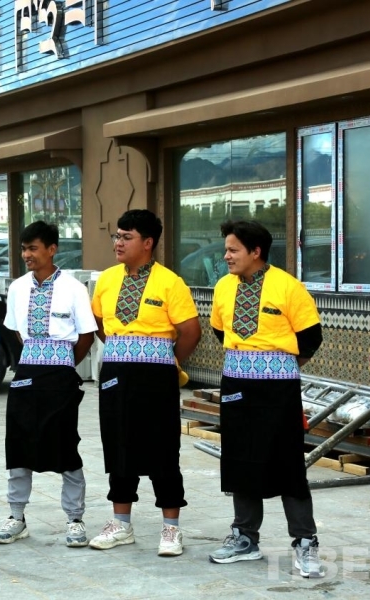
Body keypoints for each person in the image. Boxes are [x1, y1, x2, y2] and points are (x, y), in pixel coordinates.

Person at [207, 220, 324, 578]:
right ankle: (245, 537)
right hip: (235, 383)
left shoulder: (288, 287)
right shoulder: (223, 287)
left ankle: (305, 541)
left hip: (278, 388)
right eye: (226, 249)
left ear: (255, 252)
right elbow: (219, 330)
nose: (226, 256)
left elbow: (311, 338)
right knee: (240, 459)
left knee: (288, 463)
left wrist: (276, 364)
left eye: (233, 250)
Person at [89, 209, 202, 557]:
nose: (118, 243)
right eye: (117, 236)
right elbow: (99, 323)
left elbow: (190, 332)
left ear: (148, 242)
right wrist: (125, 349)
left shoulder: (170, 282)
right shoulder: (107, 279)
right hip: (115, 372)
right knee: (117, 444)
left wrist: (166, 359)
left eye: (127, 237)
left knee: (163, 448)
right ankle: (121, 524)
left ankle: (171, 529)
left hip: (157, 376)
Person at [0, 221, 97, 547]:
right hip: (27, 372)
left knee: (64, 444)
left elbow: (86, 335)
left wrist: (63, 364)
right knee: (19, 443)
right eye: (24, 249)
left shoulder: (74, 288)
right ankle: (16, 517)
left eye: (33, 248)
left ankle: (75, 519)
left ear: (52, 249)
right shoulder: (17, 287)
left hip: (61, 375)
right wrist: (36, 357)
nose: (27, 255)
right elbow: (16, 330)